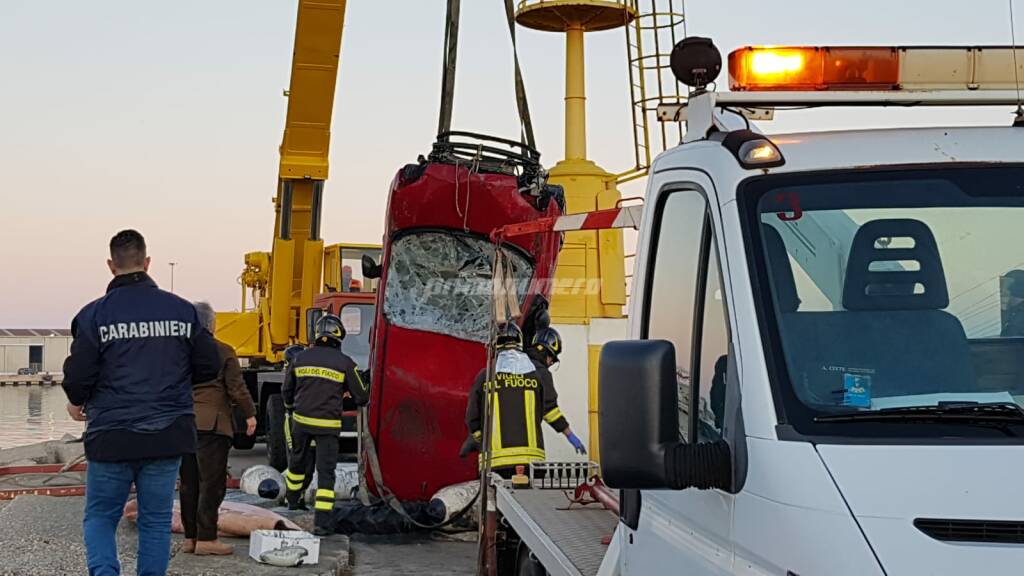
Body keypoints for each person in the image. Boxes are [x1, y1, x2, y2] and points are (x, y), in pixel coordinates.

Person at [62, 229, 220, 576]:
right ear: (147, 262)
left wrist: (77, 401)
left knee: (102, 517)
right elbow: (210, 364)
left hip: (111, 435)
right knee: (155, 521)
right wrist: (173, 382)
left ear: (110, 265)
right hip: (167, 433)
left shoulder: (93, 316)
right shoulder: (181, 311)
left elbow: (78, 375)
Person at [178, 302, 257, 556]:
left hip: (185, 423)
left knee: (188, 484)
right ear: (212, 324)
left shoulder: (181, 351)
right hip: (212, 426)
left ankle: (190, 538)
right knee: (211, 484)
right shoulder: (223, 350)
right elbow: (236, 387)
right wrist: (250, 414)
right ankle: (207, 539)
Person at [282, 314, 370, 535]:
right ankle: (322, 523)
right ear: (339, 335)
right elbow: (362, 396)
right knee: (325, 473)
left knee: (297, 466)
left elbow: (287, 391)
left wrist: (294, 407)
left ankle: (292, 503)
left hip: (300, 423)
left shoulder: (300, 358)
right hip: (327, 427)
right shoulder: (345, 363)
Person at [462, 323, 585, 478]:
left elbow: (472, 418)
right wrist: (570, 435)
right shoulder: (536, 376)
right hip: (532, 461)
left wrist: (481, 441)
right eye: (552, 359)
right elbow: (548, 410)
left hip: (495, 463)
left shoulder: (484, 377)